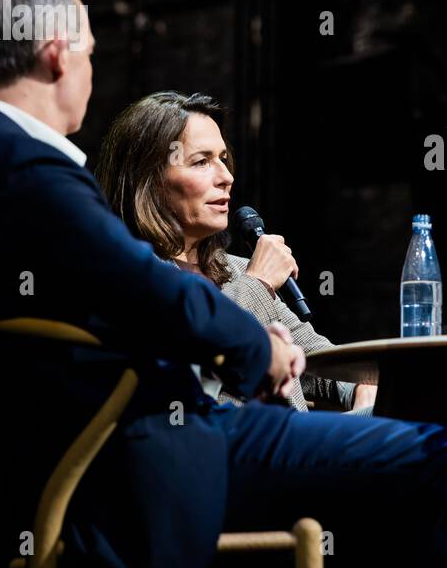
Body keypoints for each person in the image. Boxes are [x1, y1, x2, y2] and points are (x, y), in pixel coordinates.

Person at [0, 0, 447, 568]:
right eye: (90, 52)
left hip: (120, 454)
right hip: (163, 459)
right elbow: (147, 289)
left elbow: (122, 302)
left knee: (439, 480)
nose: (89, 71)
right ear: (55, 55)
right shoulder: (28, 170)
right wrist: (251, 345)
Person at [93, 90, 375, 415]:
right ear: (149, 179)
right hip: (211, 449)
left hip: (290, 447)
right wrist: (259, 285)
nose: (226, 177)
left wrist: (360, 385)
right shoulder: (130, 276)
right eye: (201, 162)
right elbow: (189, 361)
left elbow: (317, 361)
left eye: (223, 160)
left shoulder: (236, 271)